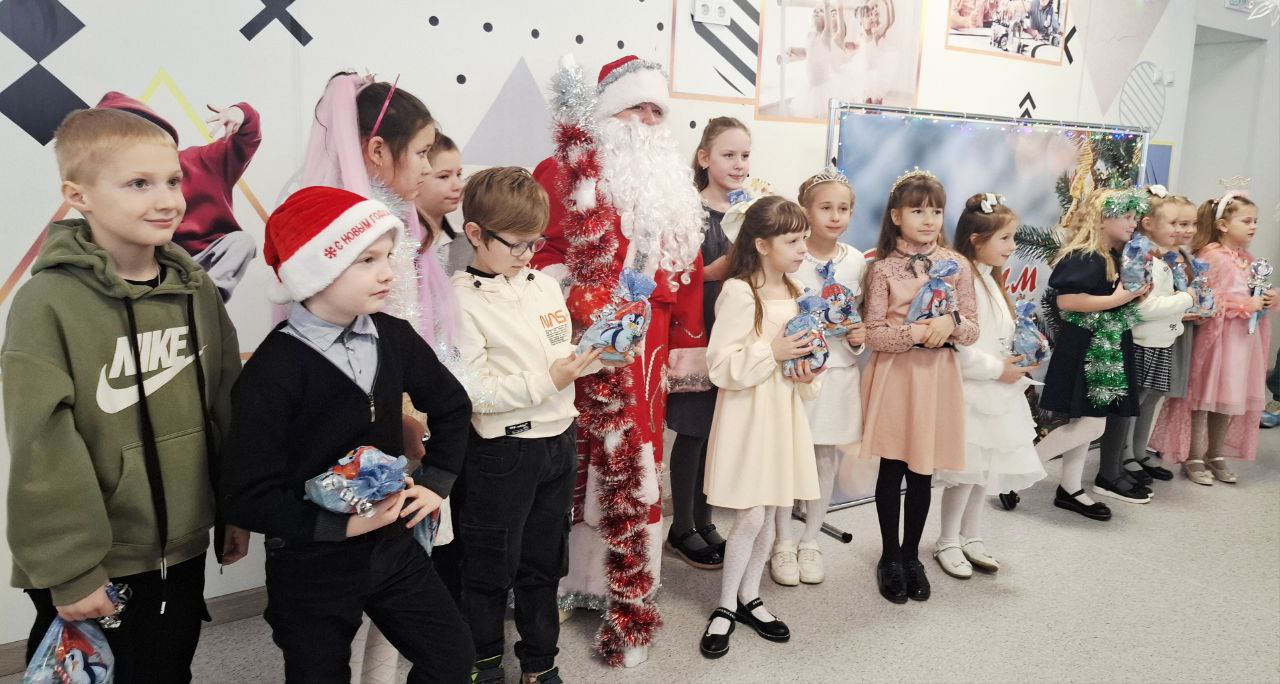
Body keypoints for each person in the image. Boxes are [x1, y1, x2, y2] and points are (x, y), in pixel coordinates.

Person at [4, 107, 247, 681]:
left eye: (172, 180)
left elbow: (225, 403)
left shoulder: (196, 289)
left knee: (169, 672)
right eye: (139, 183)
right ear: (77, 194)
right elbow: (42, 446)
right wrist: (71, 569)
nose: (166, 200)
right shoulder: (47, 303)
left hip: (181, 550)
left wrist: (235, 506)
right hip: (92, 562)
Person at [222, 186, 474, 683]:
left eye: (386, 257)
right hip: (311, 565)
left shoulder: (393, 336)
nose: (387, 272)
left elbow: (451, 404)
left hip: (392, 547)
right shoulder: (273, 372)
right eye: (366, 260)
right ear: (316, 269)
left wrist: (437, 480)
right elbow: (246, 494)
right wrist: (338, 528)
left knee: (450, 655)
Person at [532, 54, 706, 666]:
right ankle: (574, 581)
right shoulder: (563, 171)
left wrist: (687, 340)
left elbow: (687, 276)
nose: (649, 120)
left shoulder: (670, 183)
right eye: (636, 107)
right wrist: (578, 297)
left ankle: (629, 587)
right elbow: (538, 252)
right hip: (580, 340)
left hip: (651, 344)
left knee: (636, 457)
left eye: (658, 109)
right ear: (607, 114)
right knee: (579, 458)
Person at [452, 167, 630, 684]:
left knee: (543, 564)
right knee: (488, 567)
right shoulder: (461, 299)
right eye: (517, 245)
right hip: (503, 453)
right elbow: (474, 390)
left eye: (536, 243)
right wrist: (546, 380)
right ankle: (484, 662)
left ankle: (539, 662)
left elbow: (563, 359)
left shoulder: (544, 288)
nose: (529, 255)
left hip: (558, 443)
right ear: (475, 235)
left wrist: (601, 357)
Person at [698, 196, 821, 659]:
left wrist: (808, 374)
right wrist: (774, 351)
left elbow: (805, 359)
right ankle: (725, 605)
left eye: (804, 238)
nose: (802, 248)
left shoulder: (795, 291)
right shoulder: (738, 292)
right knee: (749, 514)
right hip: (749, 415)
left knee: (773, 511)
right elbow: (720, 366)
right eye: (793, 240)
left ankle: (751, 596)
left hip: (783, 413)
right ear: (763, 244)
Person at [860, 170, 979, 604]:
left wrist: (951, 323)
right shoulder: (883, 268)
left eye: (935, 211)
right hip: (897, 376)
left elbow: (971, 328)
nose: (928, 219)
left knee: (923, 470)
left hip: (937, 378)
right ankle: (889, 556)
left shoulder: (957, 265)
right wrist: (917, 332)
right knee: (893, 467)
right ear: (896, 216)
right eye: (917, 210)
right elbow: (874, 332)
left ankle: (913, 555)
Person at [932, 194, 1045, 579]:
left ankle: (972, 535)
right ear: (977, 239)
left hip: (1000, 389)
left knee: (986, 471)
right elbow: (958, 348)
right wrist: (998, 369)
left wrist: (1018, 358)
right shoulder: (961, 278)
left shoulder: (991, 279)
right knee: (964, 473)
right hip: (974, 390)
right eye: (1006, 239)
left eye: (1013, 238)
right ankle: (947, 539)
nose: (1013, 248)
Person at [769, 170, 865, 587]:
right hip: (796, 372)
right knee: (787, 456)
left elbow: (855, 317)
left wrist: (858, 340)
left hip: (839, 372)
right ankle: (782, 541)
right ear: (806, 210)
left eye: (843, 208)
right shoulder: (790, 255)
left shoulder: (856, 261)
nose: (835, 216)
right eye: (826, 207)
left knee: (826, 456)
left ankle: (810, 539)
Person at [665, 116, 752, 571]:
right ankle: (680, 526)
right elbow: (672, 278)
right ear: (704, 158)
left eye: (744, 155)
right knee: (694, 428)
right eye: (728, 155)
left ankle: (703, 517)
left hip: (734, 335)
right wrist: (713, 272)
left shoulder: (749, 214)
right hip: (697, 332)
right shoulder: (689, 214)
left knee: (719, 430)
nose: (738, 164)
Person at [1035, 189, 1150, 519]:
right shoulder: (1086, 255)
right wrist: (1118, 299)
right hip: (1087, 346)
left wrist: (1134, 296)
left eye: (1134, 217)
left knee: (1086, 420)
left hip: (1108, 343)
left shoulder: (1119, 255)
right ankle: (1017, 472)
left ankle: (1070, 488)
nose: (1134, 223)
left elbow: (1115, 296)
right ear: (1103, 218)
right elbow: (1067, 302)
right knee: (1092, 425)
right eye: (1126, 217)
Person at [1148, 192, 1277, 483]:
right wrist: (1244, 305)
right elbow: (1206, 300)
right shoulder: (1212, 256)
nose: (1253, 226)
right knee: (1204, 399)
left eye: (1255, 220)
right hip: (1218, 342)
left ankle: (1215, 454)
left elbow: (1252, 293)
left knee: (1230, 399)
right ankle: (1193, 456)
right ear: (1223, 225)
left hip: (1243, 342)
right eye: (1246, 220)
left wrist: (1267, 298)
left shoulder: (1248, 259)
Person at [96, 91, 262, 301]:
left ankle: (208, 299)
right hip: (160, 259)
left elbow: (247, 140)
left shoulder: (202, 160)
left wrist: (241, 113)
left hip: (207, 254)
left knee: (242, 242)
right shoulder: (116, 183)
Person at [1095, 186, 1193, 497]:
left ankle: (1134, 456)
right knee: (1129, 406)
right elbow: (1142, 307)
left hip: (1161, 340)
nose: (1180, 231)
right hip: (1142, 341)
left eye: (1184, 224)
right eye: (1174, 223)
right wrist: (1186, 300)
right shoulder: (1142, 256)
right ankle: (1118, 463)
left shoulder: (1165, 258)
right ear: (1148, 223)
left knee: (1148, 401)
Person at [415, 132, 474, 278]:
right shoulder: (397, 242)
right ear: (416, 175)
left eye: (458, 175)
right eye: (444, 176)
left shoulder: (469, 241)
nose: (457, 186)